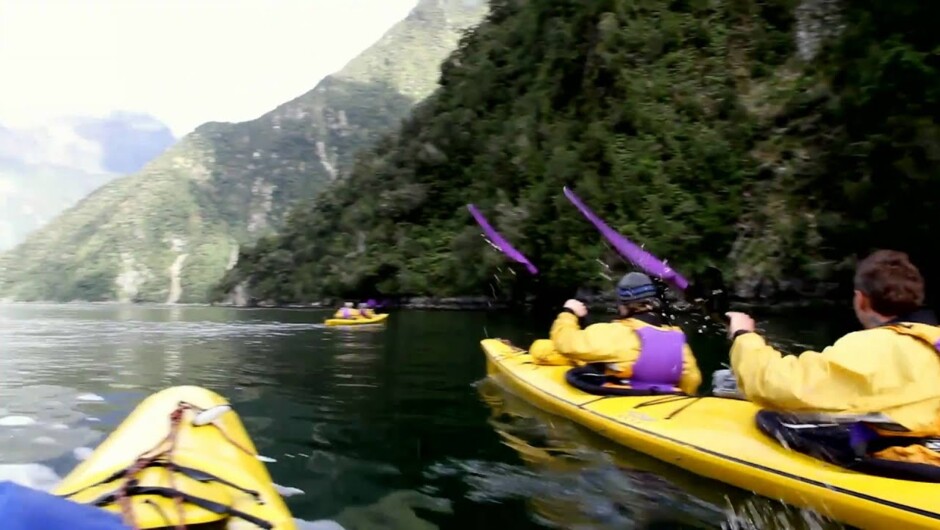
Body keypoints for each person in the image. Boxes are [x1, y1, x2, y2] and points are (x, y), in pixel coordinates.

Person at [726, 249, 940, 474]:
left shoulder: (875, 347)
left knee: (771, 419)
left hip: (919, 464)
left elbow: (778, 387)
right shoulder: (933, 338)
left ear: (861, 300)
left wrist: (743, 336)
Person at [544, 271, 702, 395]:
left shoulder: (616, 333)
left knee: (542, 348)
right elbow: (693, 379)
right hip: (665, 401)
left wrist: (569, 313)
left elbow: (565, 343)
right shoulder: (677, 339)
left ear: (624, 305)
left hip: (621, 398)